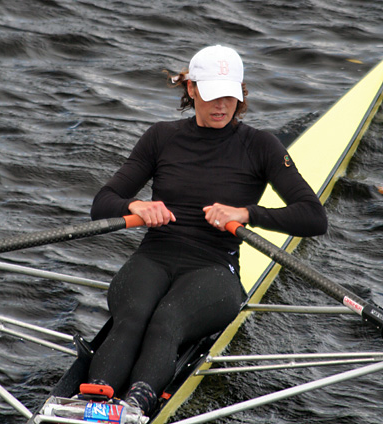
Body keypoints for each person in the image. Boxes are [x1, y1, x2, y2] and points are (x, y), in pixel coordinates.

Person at [88, 45, 328, 417]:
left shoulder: (260, 146)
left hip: (214, 268)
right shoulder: (161, 137)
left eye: (230, 96)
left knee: (166, 321)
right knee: (132, 317)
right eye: (213, 95)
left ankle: (136, 406)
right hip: (154, 256)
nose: (222, 105)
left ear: (240, 93)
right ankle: (93, 401)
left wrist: (246, 213)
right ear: (192, 89)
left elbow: (313, 217)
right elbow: (103, 202)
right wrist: (135, 206)